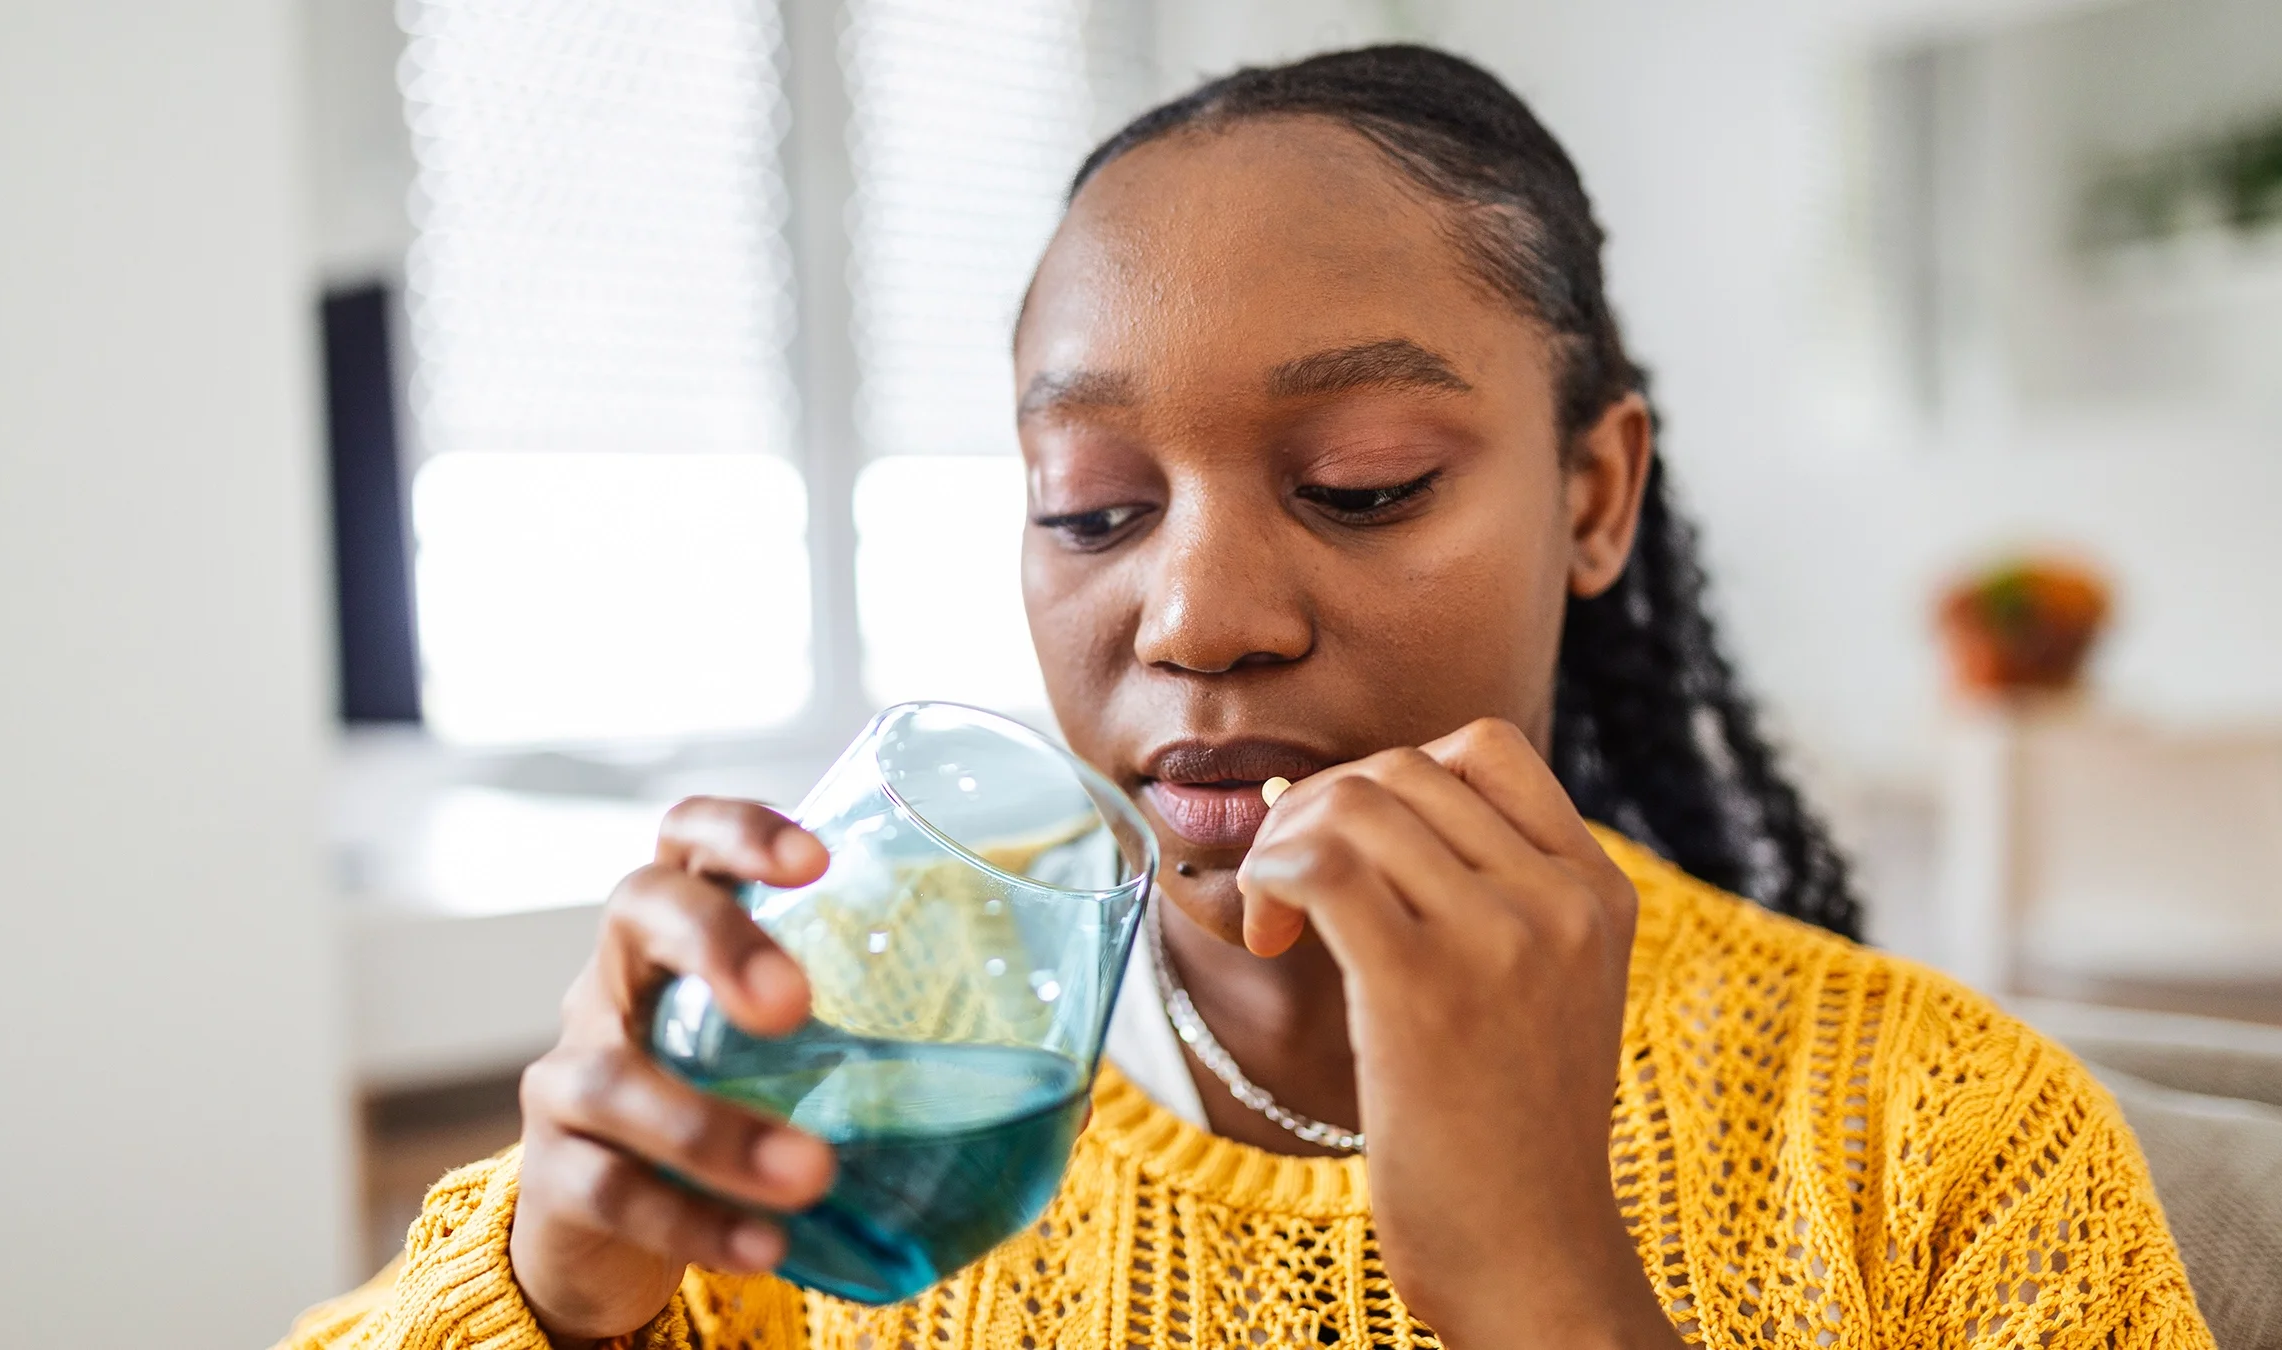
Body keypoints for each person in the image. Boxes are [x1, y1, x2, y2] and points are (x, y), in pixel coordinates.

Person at [284, 46, 2210, 1350]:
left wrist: (1548, 1284)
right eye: (1093, 507)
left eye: (1363, 482)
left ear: (1595, 496)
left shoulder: (1950, 1147)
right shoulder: (836, 1116)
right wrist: (557, 1287)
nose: (1196, 612)